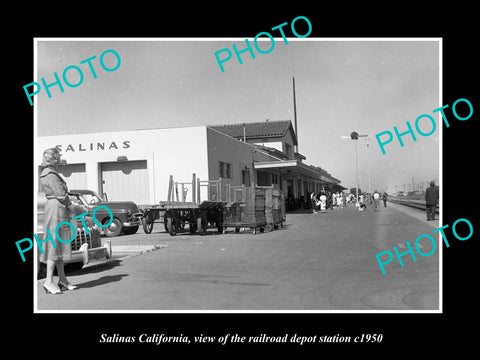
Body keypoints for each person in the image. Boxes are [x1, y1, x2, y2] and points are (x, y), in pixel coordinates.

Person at [39, 147, 77, 294]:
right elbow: (61, 194)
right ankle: (49, 281)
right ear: (54, 158)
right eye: (58, 156)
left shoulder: (48, 173)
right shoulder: (50, 174)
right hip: (57, 209)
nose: (60, 158)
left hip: (56, 209)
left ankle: (62, 279)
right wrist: (72, 205)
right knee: (54, 244)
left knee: (59, 245)